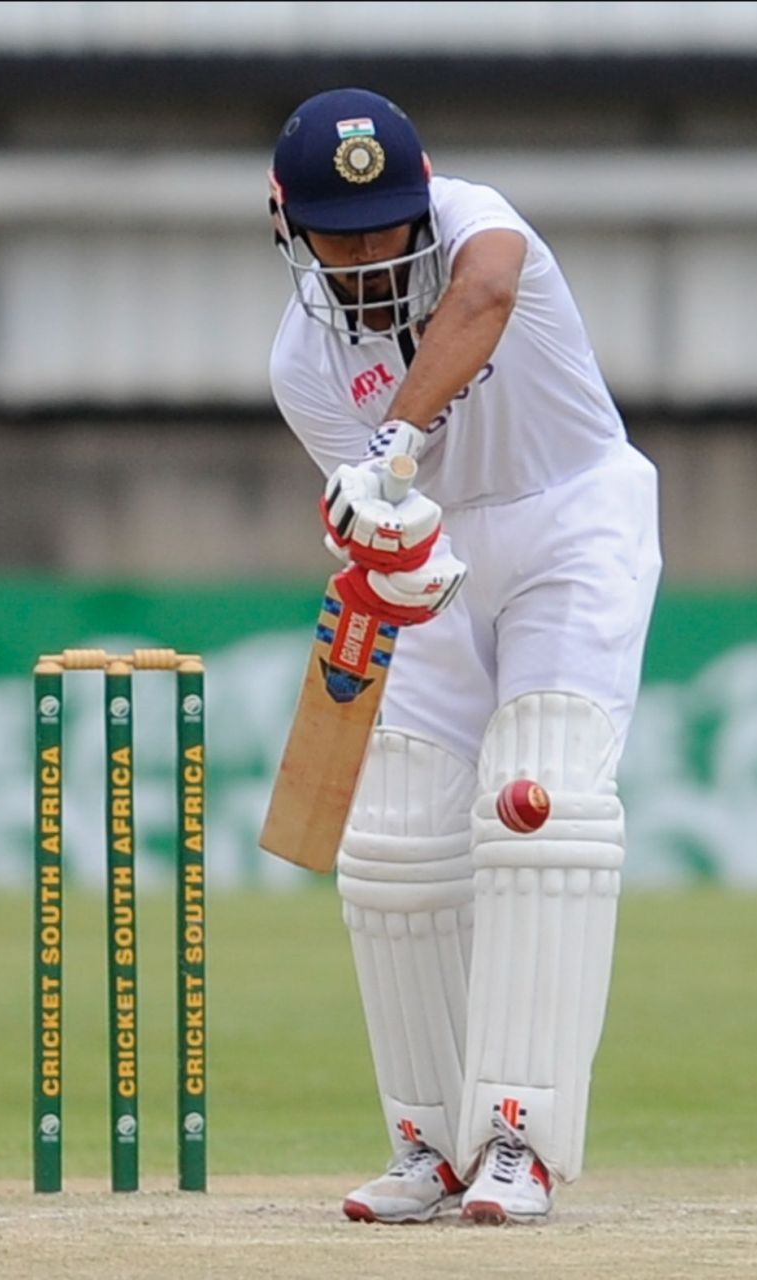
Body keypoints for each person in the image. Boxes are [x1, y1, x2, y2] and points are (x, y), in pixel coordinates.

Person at [266, 87, 662, 1226]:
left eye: (388, 220)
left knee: (539, 802)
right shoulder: (300, 363)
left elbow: (486, 291)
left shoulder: (481, 226)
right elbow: (392, 529)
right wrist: (383, 536)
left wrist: (392, 445)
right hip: (447, 547)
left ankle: (519, 1140)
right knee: (391, 838)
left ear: (423, 193)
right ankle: (430, 1140)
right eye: (341, 232)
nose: (370, 249)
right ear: (289, 225)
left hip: (571, 515)